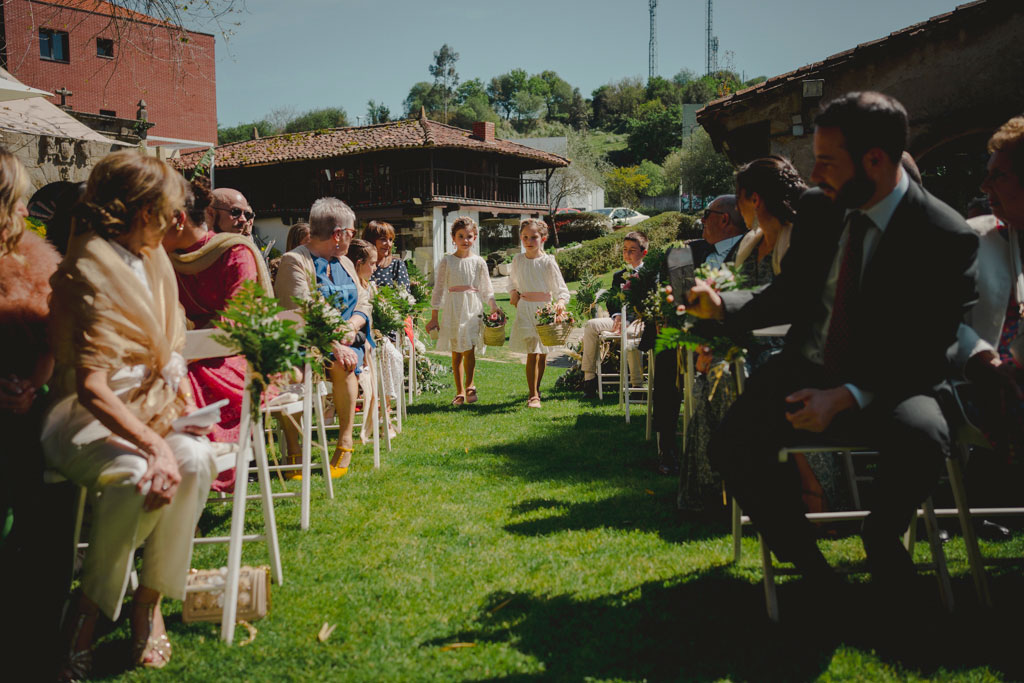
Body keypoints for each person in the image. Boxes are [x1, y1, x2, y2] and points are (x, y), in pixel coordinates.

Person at [686, 92, 978, 600]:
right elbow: (791, 294)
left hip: (895, 384)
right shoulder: (822, 208)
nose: (814, 175)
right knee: (732, 447)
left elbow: (932, 348)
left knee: (925, 435)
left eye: (826, 161)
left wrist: (848, 396)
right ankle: (809, 565)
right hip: (806, 368)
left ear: (875, 160)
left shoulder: (943, 234)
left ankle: (881, 537)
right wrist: (723, 307)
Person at [44, 151, 218, 676]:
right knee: (134, 475)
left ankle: (148, 603)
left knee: (195, 461)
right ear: (145, 209)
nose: (175, 218)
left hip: (148, 414)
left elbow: (170, 346)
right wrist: (153, 445)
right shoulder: (90, 266)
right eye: (168, 206)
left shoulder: (152, 261)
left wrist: (169, 431)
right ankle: (89, 610)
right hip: (82, 416)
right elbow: (93, 388)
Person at [678, 158, 805, 510]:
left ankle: (757, 493)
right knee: (712, 373)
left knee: (724, 376)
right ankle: (711, 497)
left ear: (754, 199)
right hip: (744, 343)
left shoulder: (800, 239)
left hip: (787, 347)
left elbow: (794, 306)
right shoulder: (748, 244)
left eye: (739, 197)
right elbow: (730, 301)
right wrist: (710, 338)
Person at [163, 178, 273, 493]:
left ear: (177, 220)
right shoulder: (164, 258)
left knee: (184, 377)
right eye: (236, 212)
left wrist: (180, 350)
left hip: (235, 355)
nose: (245, 220)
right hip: (184, 350)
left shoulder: (235, 252)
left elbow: (238, 322)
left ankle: (189, 474)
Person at [0, 149, 64, 662]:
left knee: (42, 521)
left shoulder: (36, 257)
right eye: (20, 201)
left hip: (28, 409)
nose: (27, 212)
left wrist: (29, 387)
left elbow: (53, 334)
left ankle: (35, 637)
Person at [649, 196, 746, 474]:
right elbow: (675, 305)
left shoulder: (752, 250)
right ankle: (667, 446)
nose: (701, 220)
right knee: (667, 352)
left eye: (707, 214)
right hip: (690, 334)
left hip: (733, 333)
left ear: (724, 219)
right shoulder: (683, 254)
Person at [275, 197, 369, 476]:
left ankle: (345, 441)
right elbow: (304, 306)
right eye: (352, 233)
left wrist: (351, 327)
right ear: (338, 234)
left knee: (344, 364)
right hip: (304, 340)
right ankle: (294, 449)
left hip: (348, 342)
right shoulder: (294, 260)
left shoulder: (346, 262)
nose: (353, 238)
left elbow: (364, 300)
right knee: (291, 373)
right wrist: (336, 338)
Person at [955, 116, 1024, 481]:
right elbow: (937, 316)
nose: (984, 186)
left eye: (999, 176)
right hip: (986, 385)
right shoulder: (972, 240)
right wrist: (984, 360)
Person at [426, 216, 499, 406]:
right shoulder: (447, 261)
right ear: (453, 238)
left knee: (470, 348)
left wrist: (493, 306)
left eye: (469, 236)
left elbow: (486, 288)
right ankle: (458, 391)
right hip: (453, 307)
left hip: (473, 307)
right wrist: (435, 317)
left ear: (475, 238)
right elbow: (439, 288)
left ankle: (470, 384)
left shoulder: (479, 262)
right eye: (461, 236)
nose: (465, 240)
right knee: (456, 350)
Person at [508, 218, 571, 408]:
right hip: (525, 308)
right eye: (525, 237)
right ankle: (533, 394)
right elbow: (512, 282)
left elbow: (561, 288)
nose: (529, 241)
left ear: (543, 238)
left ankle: (537, 387)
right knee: (532, 351)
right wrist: (513, 293)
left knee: (542, 353)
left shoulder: (547, 262)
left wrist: (560, 301)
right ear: (520, 238)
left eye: (533, 237)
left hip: (544, 309)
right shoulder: (518, 260)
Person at [579, 231, 647, 398]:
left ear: (643, 252)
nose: (627, 253)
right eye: (625, 249)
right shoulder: (619, 276)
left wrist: (631, 318)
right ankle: (589, 380)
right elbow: (612, 300)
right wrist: (617, 314)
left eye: (632, 249)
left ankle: (637, 386)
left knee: (629, 334)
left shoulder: (651, 274)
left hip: (642, 320)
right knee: (591, 325)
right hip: (619, 319)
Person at [364, 220, 411, 291]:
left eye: (390, 240)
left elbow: (404, 295)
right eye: (383, 239)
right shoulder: (360, 264)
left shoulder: (396, 264)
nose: (388, 244)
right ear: (371, 240)